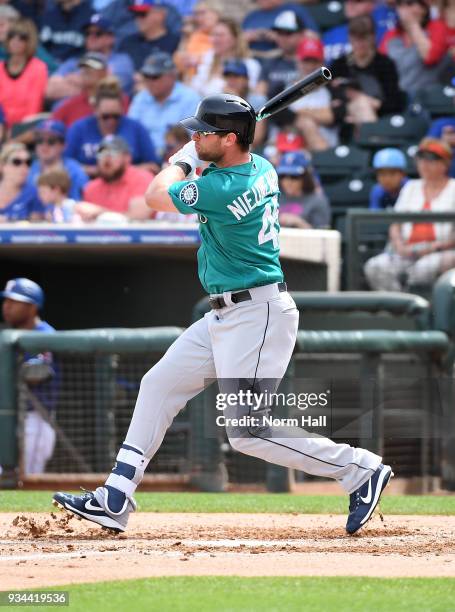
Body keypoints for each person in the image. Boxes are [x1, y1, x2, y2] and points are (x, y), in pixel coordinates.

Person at [53, 93, 393, 537]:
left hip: (257, 313)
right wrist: (206, 148)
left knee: (248, 433)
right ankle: (116, 496)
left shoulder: (221, 187)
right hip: (226, 314)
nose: (195, 136)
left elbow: (154, 197)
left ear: (231, 139)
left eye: (204, 131)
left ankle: (360, 469)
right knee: (158, 384)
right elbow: (231, 158)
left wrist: (183, 158)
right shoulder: (262, 166)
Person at [364, 138, 455, 291]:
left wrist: (433, 247)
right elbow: (396, 223)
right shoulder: (411, 187)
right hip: (407, 249)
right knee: (375, 266)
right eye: (421, 159)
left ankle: (425, 311)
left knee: (423, 269)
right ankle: (399, 309)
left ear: (444, 163)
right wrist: (400, 246)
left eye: (431, 160)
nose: (424, 164)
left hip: (442, 250)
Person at [0, 278, 57, 475]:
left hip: (35, 418)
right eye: (6, 301)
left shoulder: (45, 334)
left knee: (27, 481)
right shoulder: (9, 335)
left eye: (14, 302)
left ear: (32, 308)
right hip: (9, 417)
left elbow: (36, 374)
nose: (7, 307)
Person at [64, 77, 158, 177]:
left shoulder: (136, 129)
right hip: (88, 184)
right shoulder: (79, 129)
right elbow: (65, 164)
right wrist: (97, 171)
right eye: (105, 116)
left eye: (116, 116)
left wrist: (120, 171)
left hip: (129, 184)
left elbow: (153, 166)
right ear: (95, 110)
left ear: (122, 110)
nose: (111, 121)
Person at [329, 15, 405, 133]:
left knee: (362, 103)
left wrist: (374, 103)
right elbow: (330, 94)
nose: (360, 43)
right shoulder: (340, 64)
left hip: (380, 116)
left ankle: (371, 139)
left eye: (364, 37)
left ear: (373, 37)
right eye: (355, 38)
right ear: (349, 38)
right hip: (344, 117)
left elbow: (395, 102)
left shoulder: (385, 64)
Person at [127, 52, 200, 160]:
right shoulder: (140, 98)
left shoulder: (190, 98)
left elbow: (194, 140)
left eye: (155, 76)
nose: (150, 81)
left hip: (177, 160)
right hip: (143, 159)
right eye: (146, 76)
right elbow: (130, 133)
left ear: (172, 76)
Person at [46, 14, 134, 101]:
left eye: (98, 33)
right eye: (88, 33)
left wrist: (71, 80)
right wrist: (90, 84)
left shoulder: (122, 60)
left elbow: (109, 87)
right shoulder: (74, 61)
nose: (91, 37)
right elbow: (49, 90)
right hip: (68, 112)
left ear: (110, 38)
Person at [78, 135, 154, 222]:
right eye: (102, 153)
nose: (107, 158)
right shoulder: (91, 188)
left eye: (113, 152)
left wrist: (100, 212)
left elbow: (138, 218)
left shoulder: (142, 179)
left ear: (127, 157)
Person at [379, 0, 449, 95]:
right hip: (400, 97)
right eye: (400, 5)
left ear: (423, 8)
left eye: (410, 3)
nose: (404, 9)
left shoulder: (437, 27)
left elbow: (430, 57)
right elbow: (381, 66)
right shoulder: (392, 34)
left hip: (430, 96)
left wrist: (413, 26)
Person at [52, 52, 128, 128]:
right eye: (84, 67)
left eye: (92, 67)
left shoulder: (120, 100)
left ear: (105, 72)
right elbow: (50, 126)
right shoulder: (70, 104)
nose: (86, 70)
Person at [190, 17, 261, 97]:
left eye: (220, 35)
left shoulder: (250, 65)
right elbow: (194, 89)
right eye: (213, 35)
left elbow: (246, 96)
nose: (214, 39)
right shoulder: (207, 58)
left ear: (235, 38)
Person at [291, 37, 338, 151]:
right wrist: (318, 113)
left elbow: (331, 117)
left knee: (307, 123)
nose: (310, 66)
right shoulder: (286, 90)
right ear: (298, 61)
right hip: (293, 146)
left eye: (315, 62)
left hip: (326, 146)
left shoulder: (331, 90)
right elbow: (283, 117)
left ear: (323, 63)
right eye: (306, 61)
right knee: (306, 123)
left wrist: (302, 111)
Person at [0, 17, 47, 129]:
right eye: (12, 36)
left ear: (30, 41)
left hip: (25, 130)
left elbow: (34, 108)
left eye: (22, 37)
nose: (16, 41)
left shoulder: (38, 68)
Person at [28, 119, 89, 200]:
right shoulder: (29, 167)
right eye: (40, 141)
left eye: (51, 141)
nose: (44, 146)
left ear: (63, 146)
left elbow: (78, 203)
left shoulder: (75, 171)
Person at [323, 0, 397, 63]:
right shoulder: (331, 34)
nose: (351, 4)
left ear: (373, 4)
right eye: (348, 1)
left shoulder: (384, 27)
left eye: (358, 1)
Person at [242, 0, 318, 61]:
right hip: (254, 57)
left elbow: (314, 37)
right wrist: (249, 36)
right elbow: (237, 39)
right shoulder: (251, 16)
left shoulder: (293, 9)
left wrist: (279, 36)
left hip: (286, 58)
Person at [118, 0, 181, 71]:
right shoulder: (127, 42)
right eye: (135, 14)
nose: (138, 19)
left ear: (161, 14)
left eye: (142, 14)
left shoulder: (176, 42)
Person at [277, 151, 331, 228]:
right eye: (283, 176)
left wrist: (298, 222)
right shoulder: (274, 197)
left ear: (305, 177)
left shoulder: (317, 200)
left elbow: (323, 236)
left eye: (294, 176)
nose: (287, 181)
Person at [173, 2, 219, 83]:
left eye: (203, 13)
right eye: (196, 15)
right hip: (189, 82)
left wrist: (200, 60)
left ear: (216, 14)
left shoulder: (223, 36)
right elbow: (177, 61)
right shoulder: (191, 35)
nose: (199, 19)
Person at [0, 142, 42, 222]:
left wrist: (8, 221)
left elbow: (38, 230)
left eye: (28, 162)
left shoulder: (35, 194)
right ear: (2, 166)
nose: (24, 167)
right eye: (17, 162)